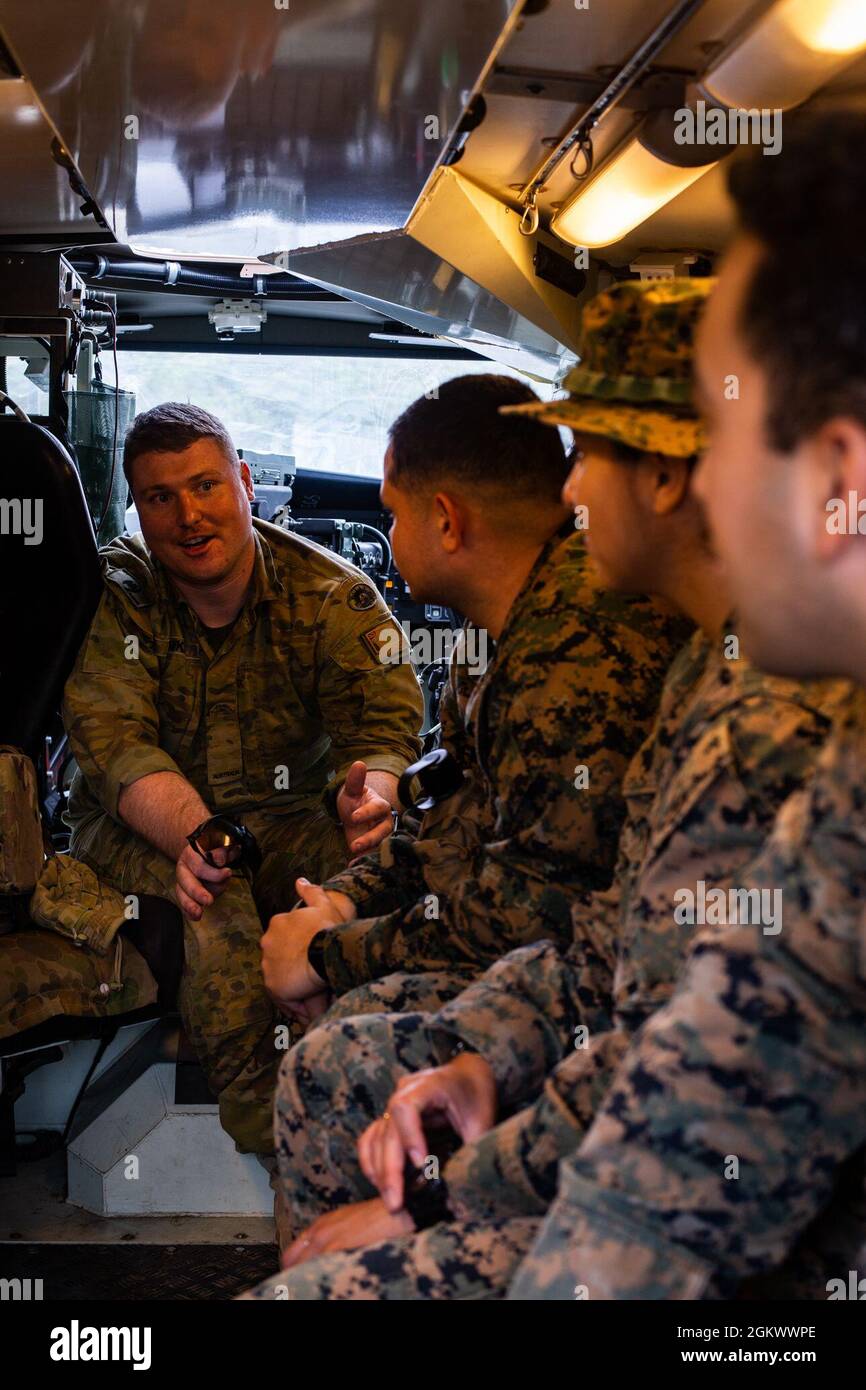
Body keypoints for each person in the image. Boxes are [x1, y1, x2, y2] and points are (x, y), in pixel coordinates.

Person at [240, 277, 853, 1298]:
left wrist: (431, 1202)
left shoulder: (767, 717)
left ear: (662, 475)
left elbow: (684, 1082)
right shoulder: (710, 667)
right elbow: (606, 943)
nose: (567, 494)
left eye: (591, 457)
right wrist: (483, 1053)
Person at [509, 106, 866, 1300]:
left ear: (837, 485)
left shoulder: (779, 720)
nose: (705, 483)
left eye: (715, 434)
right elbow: (746, 1049)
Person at [258, 372, 691, 1032]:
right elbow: (449, 812)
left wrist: (325, 955)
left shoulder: (575, 646)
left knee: (342, 1053)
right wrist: (342, 906)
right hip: (525, 935)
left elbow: (534, 909)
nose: (393, 537)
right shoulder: (492, 631)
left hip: (613, 974)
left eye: (395, 515)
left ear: (446, 521)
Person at [62, 402, 423, 1153]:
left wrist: (370, 805)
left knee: (376, 879)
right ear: (137, 508)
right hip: (140, 828)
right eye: (160, 497)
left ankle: (377, 1092)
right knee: (216, 899)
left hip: (292, 816)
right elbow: (121, 749)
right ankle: (276, 1133)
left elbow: (384, 736)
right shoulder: (114, 599)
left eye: (205, 487)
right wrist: (197, 838)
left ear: (245, 484)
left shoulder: (328, 596)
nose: (189, 516)